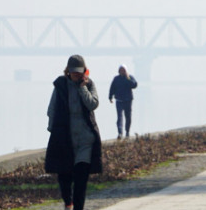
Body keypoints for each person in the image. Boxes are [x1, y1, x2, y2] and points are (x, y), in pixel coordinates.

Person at [45, 54, 102, 210]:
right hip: (65, 138)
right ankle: (68, 203)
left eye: (79, 71)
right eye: (73, 72)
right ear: (67, 71)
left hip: (85, 140)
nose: (76, 74)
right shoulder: (61, 86)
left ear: (85, 71)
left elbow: (93, 104)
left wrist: (83, 88)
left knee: (81, 180)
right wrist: (52, 130)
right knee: (64, 177)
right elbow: (52, 109)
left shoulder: (89, 85)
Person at [108, 64, 138, 139]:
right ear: (119, 71)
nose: (122, 71)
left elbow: (134, 85)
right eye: (121, 70)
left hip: (128, 100)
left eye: (123, 70)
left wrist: (127, 78)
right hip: (119, 100)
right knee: (119, 117)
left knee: (128, 117)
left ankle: (127, 131)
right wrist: (110, 97)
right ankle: (120, 132)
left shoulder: (129, 77)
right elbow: (112, 88)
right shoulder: (116, 79)